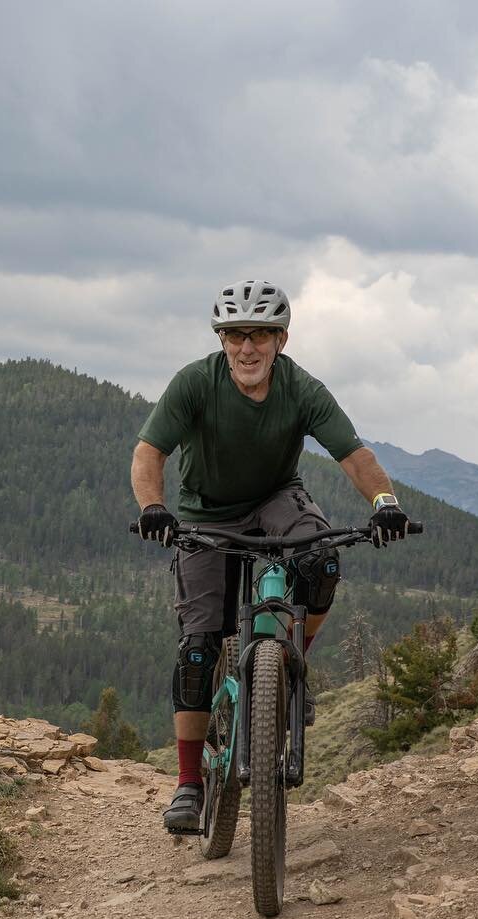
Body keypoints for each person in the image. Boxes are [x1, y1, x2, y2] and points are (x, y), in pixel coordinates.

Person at [129, 280, 411, 833]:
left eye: (259, 335)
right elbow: (149, 452)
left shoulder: (301, 388)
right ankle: (189, 785)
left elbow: (352, 454)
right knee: (197, 652)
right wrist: (154, 508)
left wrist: (385, 503)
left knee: (321, 563)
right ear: (222, 340)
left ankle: (291, 660)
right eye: (235, 335)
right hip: (205, 513)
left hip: (276, 499)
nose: (247, 348)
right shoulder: (194, 383)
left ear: (281, 339)